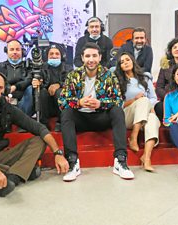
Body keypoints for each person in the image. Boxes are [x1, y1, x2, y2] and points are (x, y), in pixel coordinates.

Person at [58, 42, 134, 181]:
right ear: (82, 58)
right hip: (80, 118)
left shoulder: (109, 76)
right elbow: (62, 101)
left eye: (94, 56)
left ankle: (120, 161)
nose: (91, 59)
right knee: (67, 112)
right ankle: (73, 162)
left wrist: (100, 104)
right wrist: (79, 102)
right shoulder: (73, 75)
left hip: (101, 117)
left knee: (117, 111)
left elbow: (119, 100)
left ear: (99, 57)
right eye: (87, 56)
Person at [115, 52, 160, 172]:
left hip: (144, 113)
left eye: (127, 60)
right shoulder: (117, 81)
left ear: (132, 61)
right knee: (143, 99)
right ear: (119, 66)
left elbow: (153, 98)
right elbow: (117, 104)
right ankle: (134, 136)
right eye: (122, 62)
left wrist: (148, 106)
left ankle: (146, 157)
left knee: (153, 119)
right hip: (127, 115)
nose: (125, 63)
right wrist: (134, 100)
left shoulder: (145, 78)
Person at [35, 44, 73, 131]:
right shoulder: (42, 68)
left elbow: (72, 83)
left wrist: (59, 85)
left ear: (61, 55)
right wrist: (39, 83)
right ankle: (43, 123)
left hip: (61, 103)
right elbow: (39, 82)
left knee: (59, 91)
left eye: (57, 53)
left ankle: (61, 121)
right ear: (47, 56)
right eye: (51, 54)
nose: (54, 56)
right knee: (42, 91)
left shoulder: (68, 68)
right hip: (46, 104)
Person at [0, 39, 33, 116]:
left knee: (31, 89)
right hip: (6, 98)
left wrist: (15, 87)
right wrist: (5, 93)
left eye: (17, 49)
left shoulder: (28, 66)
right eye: (12, 49)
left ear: (22, 52)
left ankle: (21, 117)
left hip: (24, 99)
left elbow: (29, 79)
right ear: (7, 51)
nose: (15, 52)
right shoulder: (0, 66)